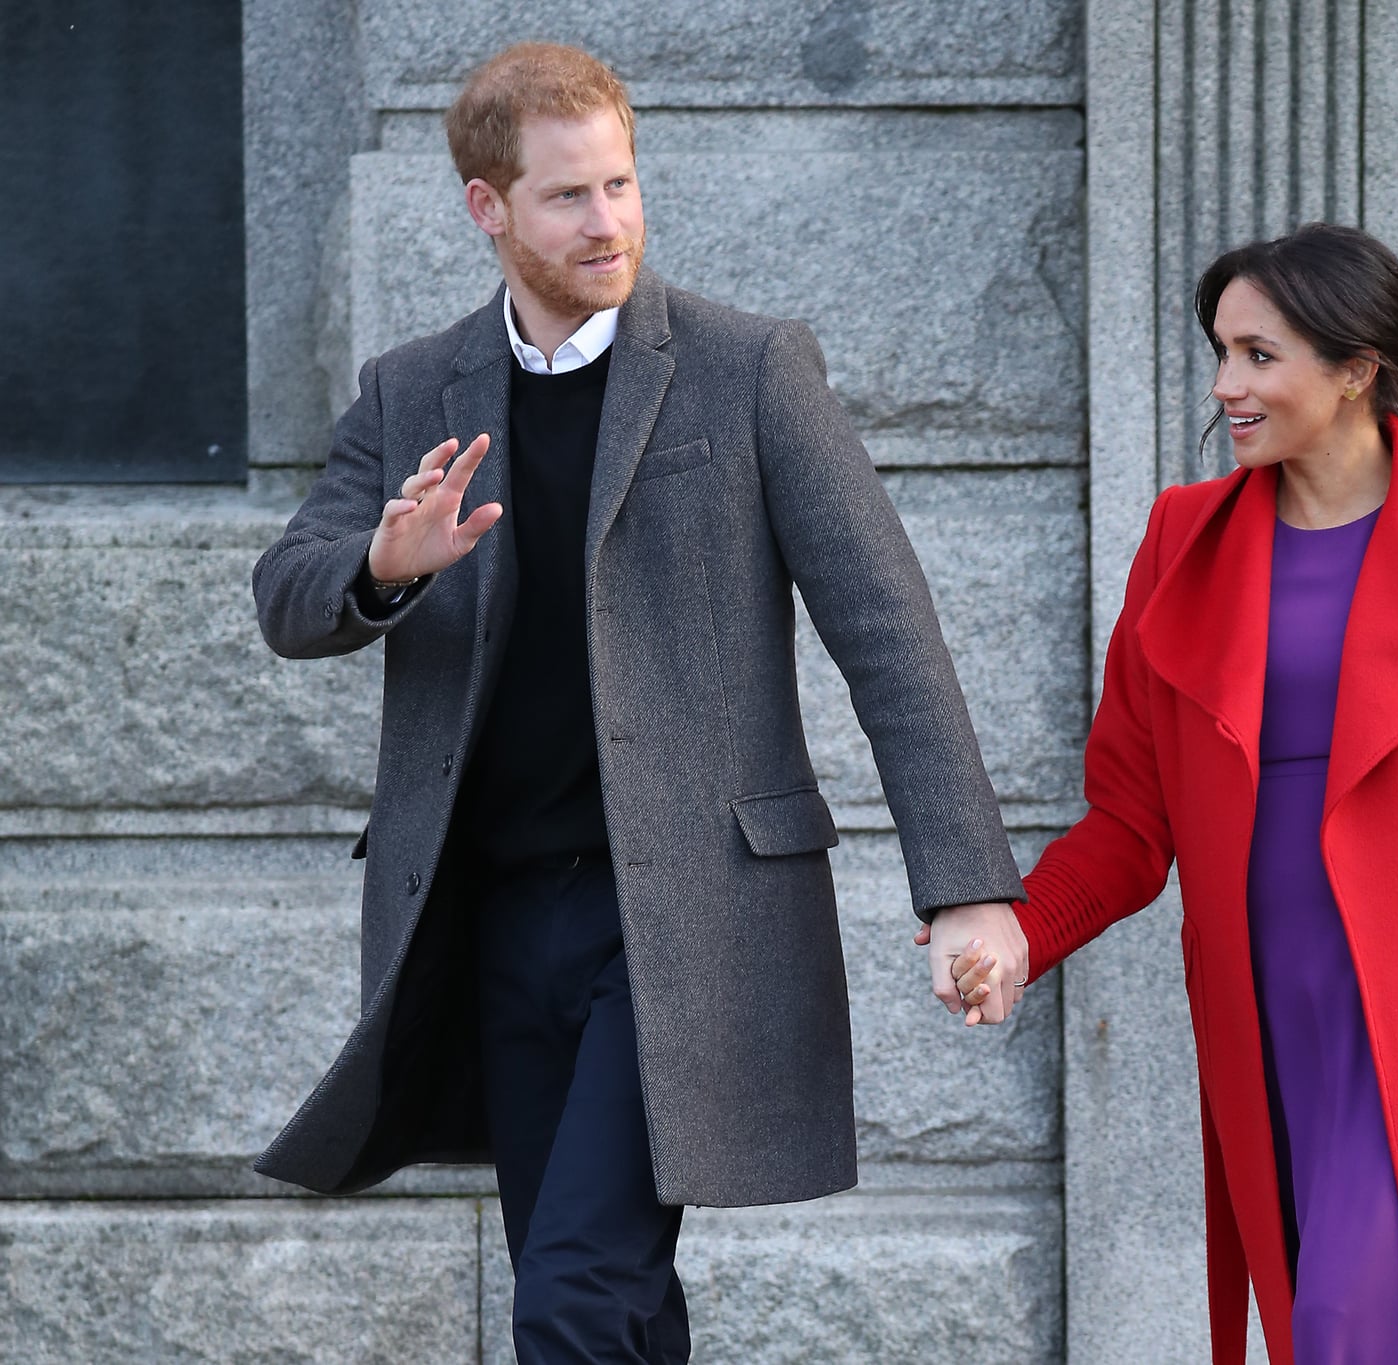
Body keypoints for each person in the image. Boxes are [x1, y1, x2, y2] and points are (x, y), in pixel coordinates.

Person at [249, 42, 1024, 1364]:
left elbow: (887, 627)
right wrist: (386, 565)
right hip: (487, 918)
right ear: (487, 208)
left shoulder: (750, 369)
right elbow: (288, 591)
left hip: (682, 918)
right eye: (567, 196)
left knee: (572, 1293)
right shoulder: (410, 390)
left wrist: (967, 883)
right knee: (613, 1297)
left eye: (621, 183)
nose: (607, 220)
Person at [939, 222, 1398, 1364]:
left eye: (1258, 356)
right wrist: (1018, 932)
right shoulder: (1180, 542)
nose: (1223, 387)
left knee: (1368, 1325)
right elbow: (1128, 821)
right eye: (1221, 352)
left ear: (1356, 369)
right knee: (1318, 1322)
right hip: (1263, 1005)